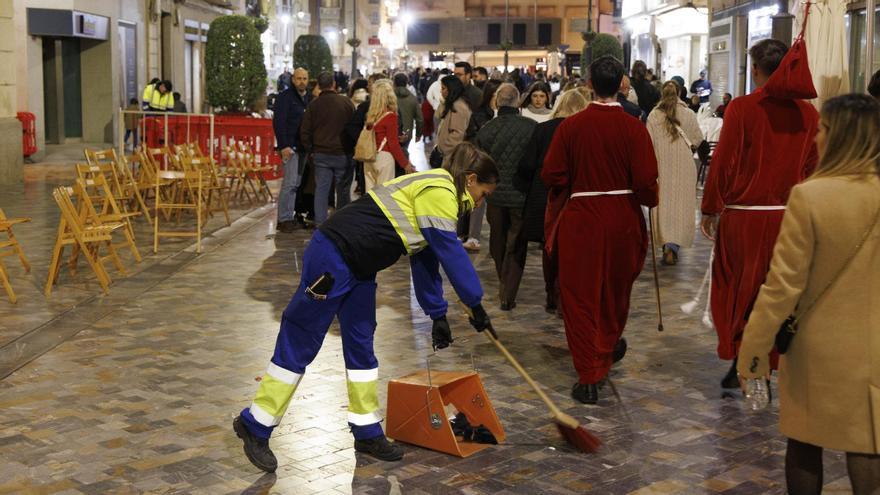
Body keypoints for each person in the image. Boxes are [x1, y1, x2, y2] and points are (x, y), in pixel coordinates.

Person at [233, 142, 499, 472]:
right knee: (301, 340)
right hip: (334, 254)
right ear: (470, 180)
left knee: (361, 344)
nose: (480, 201)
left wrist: (438, 314)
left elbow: (425, 256)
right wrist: (476, 304)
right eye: (484, 193)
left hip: (359, 264)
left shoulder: (437, 190)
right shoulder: (441, 191)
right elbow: (451, 255)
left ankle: (366, 430)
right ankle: (255, 424)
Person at [737, 93, 880, 495]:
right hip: (874, 346)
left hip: (819, 350)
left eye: (822, 130)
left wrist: (753, 355)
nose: (816, 137)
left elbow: (782, 287)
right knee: (869, 444)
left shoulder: (811, 196)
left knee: (804, 441)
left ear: (839, 137)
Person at [700, 39, 819, 390]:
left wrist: (710, 206)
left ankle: (743, 358)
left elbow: (724, 162)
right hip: (788, 217)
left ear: (755, 69)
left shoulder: (742, 108)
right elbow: (812, 167)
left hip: (744, 217)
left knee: (738, 289)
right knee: (778, 290)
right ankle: (767, 359)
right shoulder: (808, 113)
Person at [542, 56, 659, 405]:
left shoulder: (571, 127)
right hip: (622, 219)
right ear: (622, 83)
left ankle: (589, 374)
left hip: (582, 219)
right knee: (614, 293)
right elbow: (646, 185)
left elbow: (552, 174)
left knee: (579, 298)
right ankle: (605, 350)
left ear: (589, 83)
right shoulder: (635, 128)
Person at [516, 89, 589, 314]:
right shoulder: (585, 131)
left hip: (548, 197)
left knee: (551, 249)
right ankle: (571, 295)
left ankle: (553, 293)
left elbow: (529, 164)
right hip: (579, 198)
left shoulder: (544, 129)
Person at [475, 83, 537, 311]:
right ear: (518, 102)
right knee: (517, 242)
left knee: (497, 239)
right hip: (521, 195)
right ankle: (508, 291)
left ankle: (503, 279)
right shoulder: (530, 127)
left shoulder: (486, 130)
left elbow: (479, 163)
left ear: (496, 102)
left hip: (495, 194)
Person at [647, 81, 704, 265]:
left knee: (664, 205)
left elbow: (648, 143)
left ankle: (666, 244)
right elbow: (696, 138)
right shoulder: (688, 113)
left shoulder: (654, 115)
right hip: (684, 167)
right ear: (680, 93)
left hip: (661, 165)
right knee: (680, 207)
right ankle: (673, 247)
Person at [300, 71, 356, 226]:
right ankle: (342, 224)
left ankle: (320, 223)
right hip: (342, 153)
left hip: (321, 154)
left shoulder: (314, 105)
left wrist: (311, 150)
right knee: (343, 190)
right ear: (334, 85)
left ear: (319, 86)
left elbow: (304, 131)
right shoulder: (346, 103)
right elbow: (354, 128)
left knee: (321, 190)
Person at [459, 79, 502, 252]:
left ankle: (473, 236)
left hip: (497, 163)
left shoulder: (504, 115)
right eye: (496, 95)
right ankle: (470, 236)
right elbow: (470, 137)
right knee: (474, 199)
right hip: (479, 162)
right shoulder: (479, 115)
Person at [273, 67, 311, 233]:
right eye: (299, 78)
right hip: (290, 147)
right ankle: (284, 219)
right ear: (293, 79)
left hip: (303, 147)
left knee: (295, 184)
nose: (302, 81)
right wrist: (283, 145)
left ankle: (289, 215)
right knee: (289, 183)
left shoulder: (307, 98)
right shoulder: (285, 98)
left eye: (304, 78)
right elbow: (279, 122)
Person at [363, 80, 414, 190]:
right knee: (383, 196)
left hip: (369, 157)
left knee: (370, 195)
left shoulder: (371, 116)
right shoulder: (390, 116)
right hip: (384, 158)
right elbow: (393, 144)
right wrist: (405, 163)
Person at [434, 75, 471, 168]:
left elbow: (457, 134)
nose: (441, 91)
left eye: (443, 88)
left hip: (451, 156)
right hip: (448, 154)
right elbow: (438, 115)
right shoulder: (451, 104)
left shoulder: (458, 107)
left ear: (451, 89)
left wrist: (444, 148)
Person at [393, 73, 424, 160]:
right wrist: (418, 134)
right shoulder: (412, 98)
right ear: (406, 83)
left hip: (392, 132)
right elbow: (420, 119)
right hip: (407, 133)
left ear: (394, 83)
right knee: (404, 152)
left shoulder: (390, 97)